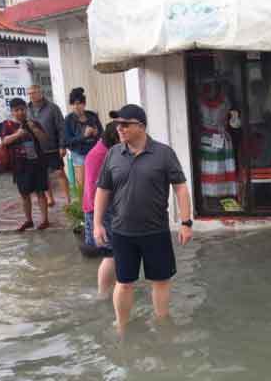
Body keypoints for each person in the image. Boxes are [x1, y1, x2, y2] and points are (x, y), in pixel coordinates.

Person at [93, 104, 193, 335]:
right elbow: (103, 190)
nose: (120, 128)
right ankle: (121, 326)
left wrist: (186, 223)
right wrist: (98, 224)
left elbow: (180, 188)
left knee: (160, 280)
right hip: (122, 231)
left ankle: (162, 323)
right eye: (118, 124)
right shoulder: (113, 153)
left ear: (141, 126)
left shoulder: (163, 153)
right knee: (124, 282)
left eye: (125, 124)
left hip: (155, 230)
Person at [0, 98, 50, 231]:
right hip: (20, 165)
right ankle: (29, 220)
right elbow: (3, 141)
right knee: (24, 194)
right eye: (17, 110)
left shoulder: (34, 123)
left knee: (40, 192)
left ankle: (45, 220)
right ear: (12, 112)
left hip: (37, 163)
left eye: (22, 109)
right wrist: (18, 134)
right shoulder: (8, 125)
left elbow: (45, 140)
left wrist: (35, 129)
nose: (20, 112)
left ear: (26, 110)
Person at [81, 121, 119, 298]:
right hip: (101, 210)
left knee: (112, 254)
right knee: (111, 254)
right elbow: (98, 190)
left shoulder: (99, 151)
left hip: (99, 209)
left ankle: (111, 290)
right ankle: (104, 294)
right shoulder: (101, 155)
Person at [27, 84, 71, 207]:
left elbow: (61, 128)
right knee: (43, 176)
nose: (32, 95)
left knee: (59, 173)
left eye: (34, 92)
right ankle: (50, 199)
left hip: (52, 147)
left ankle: (68, 199)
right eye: (30, 93)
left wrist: (62, 146)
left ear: (41, 93)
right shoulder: (27, 109)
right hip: (36, 149)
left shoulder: (52, 108)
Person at [64, 87, 103, 189]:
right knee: (84, 186)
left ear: (84, 104)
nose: (76, 106)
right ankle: (85, 205)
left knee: (98, 183)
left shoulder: (92, 116)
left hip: (95, 152)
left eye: (78, 103)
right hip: (79, 155)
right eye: (73, 104)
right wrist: (83, 136)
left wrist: (96, 133)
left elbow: (102, 135)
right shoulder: (68, 120)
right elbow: (67, 142)